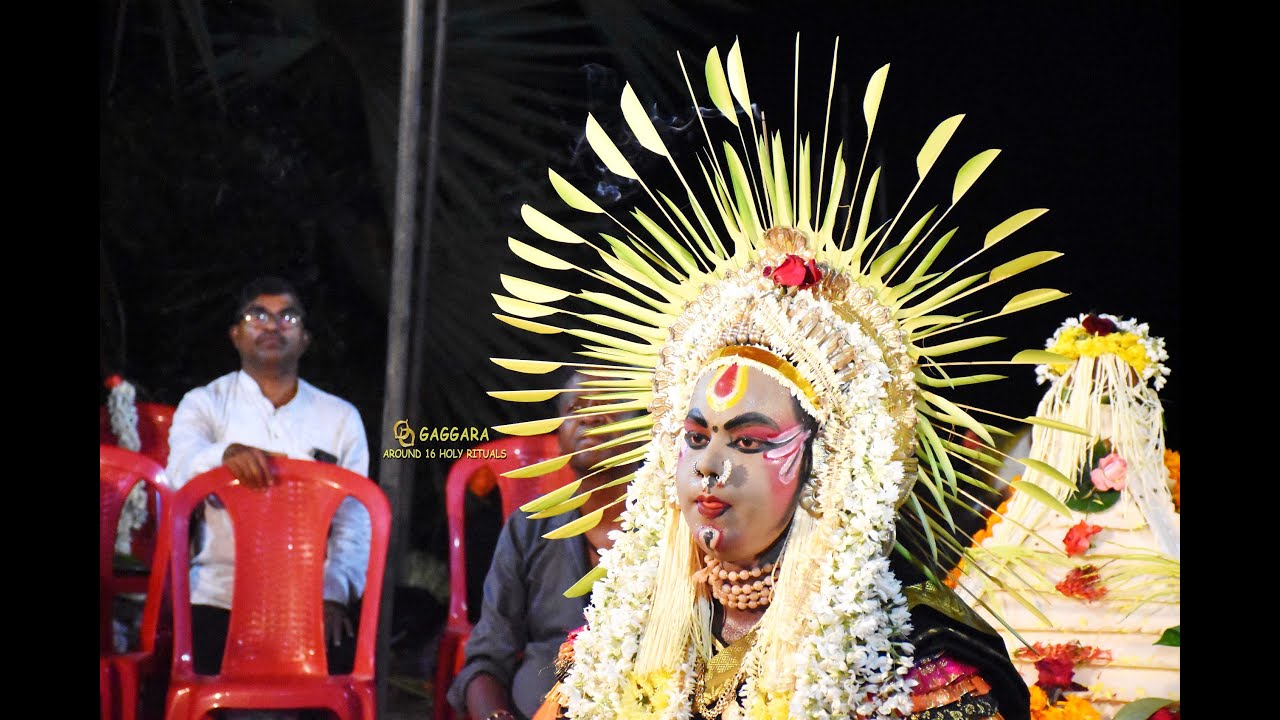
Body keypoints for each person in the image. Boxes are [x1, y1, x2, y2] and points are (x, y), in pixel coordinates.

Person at [487, 36, 1047, 720]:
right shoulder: (617, 644)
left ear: (824, 462)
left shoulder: (912, 669)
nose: (710, 469)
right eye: (696, 438)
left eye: (749, 442)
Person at [164, 275, 372, 680]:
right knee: (193, 679)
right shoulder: (204, 405)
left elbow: (355, 521)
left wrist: (333, 594)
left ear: (306, 339)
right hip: (219, 592)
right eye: (258, 315)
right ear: (236, 335)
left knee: (340, 677)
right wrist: (223, 456)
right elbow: (178, 473)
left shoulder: (340, 418)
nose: (273, 326)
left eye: (287, 317)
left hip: (310, 599)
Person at [447, 369, 643, 720]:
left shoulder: (673, 526)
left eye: (610, 405)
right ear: (561, 436)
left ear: (643, 426)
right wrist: (495, 714)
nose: (592, 416)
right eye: (576, 407)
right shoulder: (529, 528)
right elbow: (486, 658)